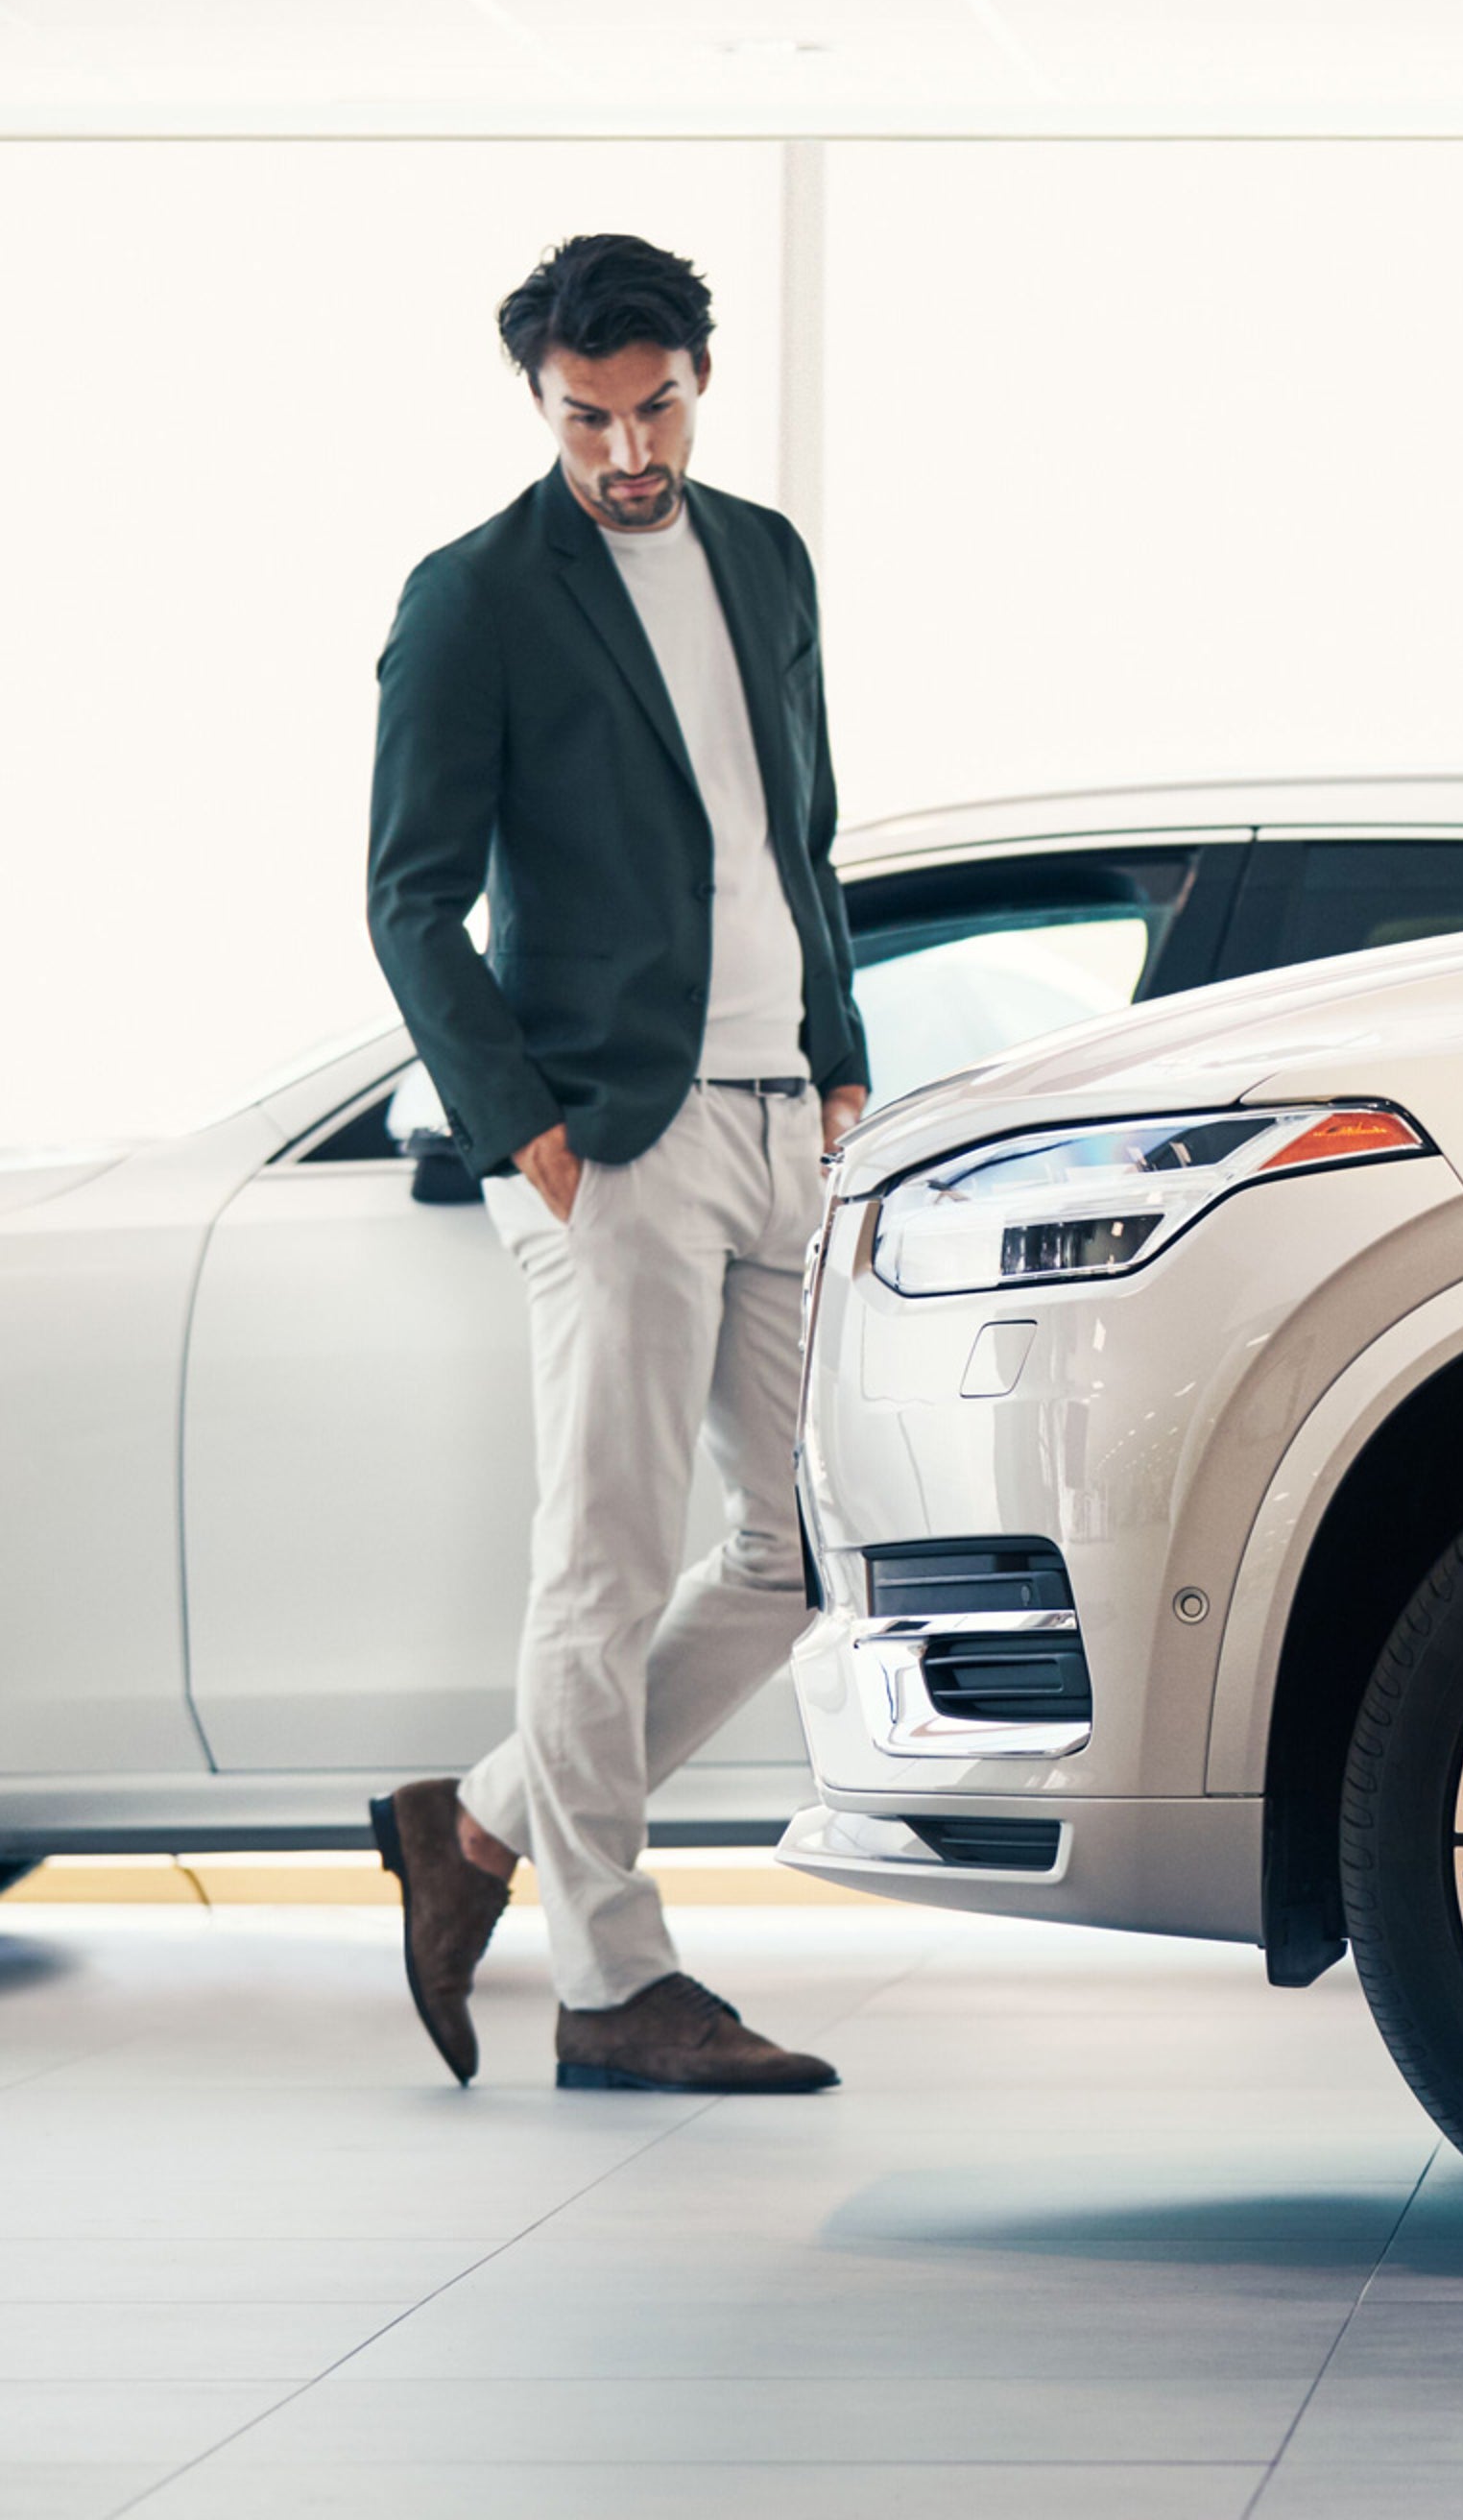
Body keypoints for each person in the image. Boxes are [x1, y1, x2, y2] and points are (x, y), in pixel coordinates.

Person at [363, 233, 868, 2095]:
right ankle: (606, 1977)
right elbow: (408, 899)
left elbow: (799, 826)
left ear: (698, 381)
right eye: (588, 417)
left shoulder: (765, 559)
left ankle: (479, 1820)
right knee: (603, 1561)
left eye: (651, 408)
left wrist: (837, 1056)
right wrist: (531, 1133)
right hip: (610, 1142)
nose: (624, 450)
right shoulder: (476, 597)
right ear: (543, 402)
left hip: (772, 1119)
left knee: (799, 1548)